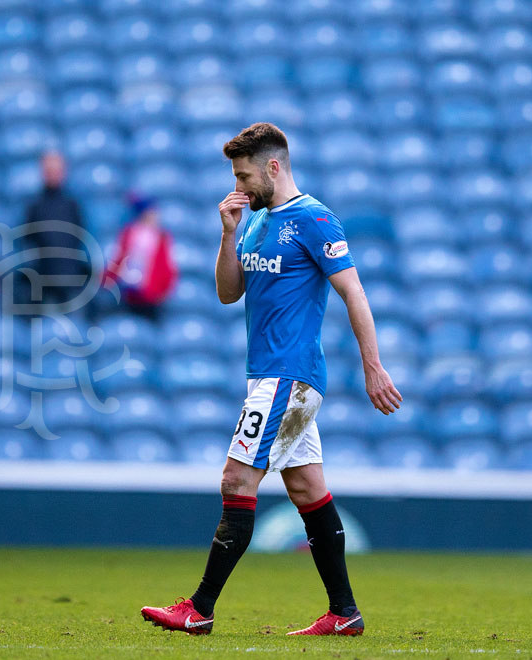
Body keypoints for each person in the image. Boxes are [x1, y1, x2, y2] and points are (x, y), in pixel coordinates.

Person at [140, 123, 402, 636]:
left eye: (244, 174)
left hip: (290, 375)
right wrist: (228, 233)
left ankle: (199, 608)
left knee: (236, 480)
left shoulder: (314, 219)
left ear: (274, 167)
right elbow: (227, 292)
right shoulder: (255, 220)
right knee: (307, 489)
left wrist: (373, 366)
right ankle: (344, 613)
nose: (239, 184)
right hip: (267, 375)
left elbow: (354, 293)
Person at [21, 151, 87, 309]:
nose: (53, 174)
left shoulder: (73, 206)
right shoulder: (35, 206)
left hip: (72, 281)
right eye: (49, 170)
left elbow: (83, 238)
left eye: (56, 170)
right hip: (42, 283)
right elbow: (27, 240)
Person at [104, 194, 178, 320]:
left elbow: (167, 266)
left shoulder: (162, 237)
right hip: (128, 294)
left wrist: (164, 289)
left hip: (151, 296)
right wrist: (107, 279)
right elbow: (119, 258)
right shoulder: (129, 234)